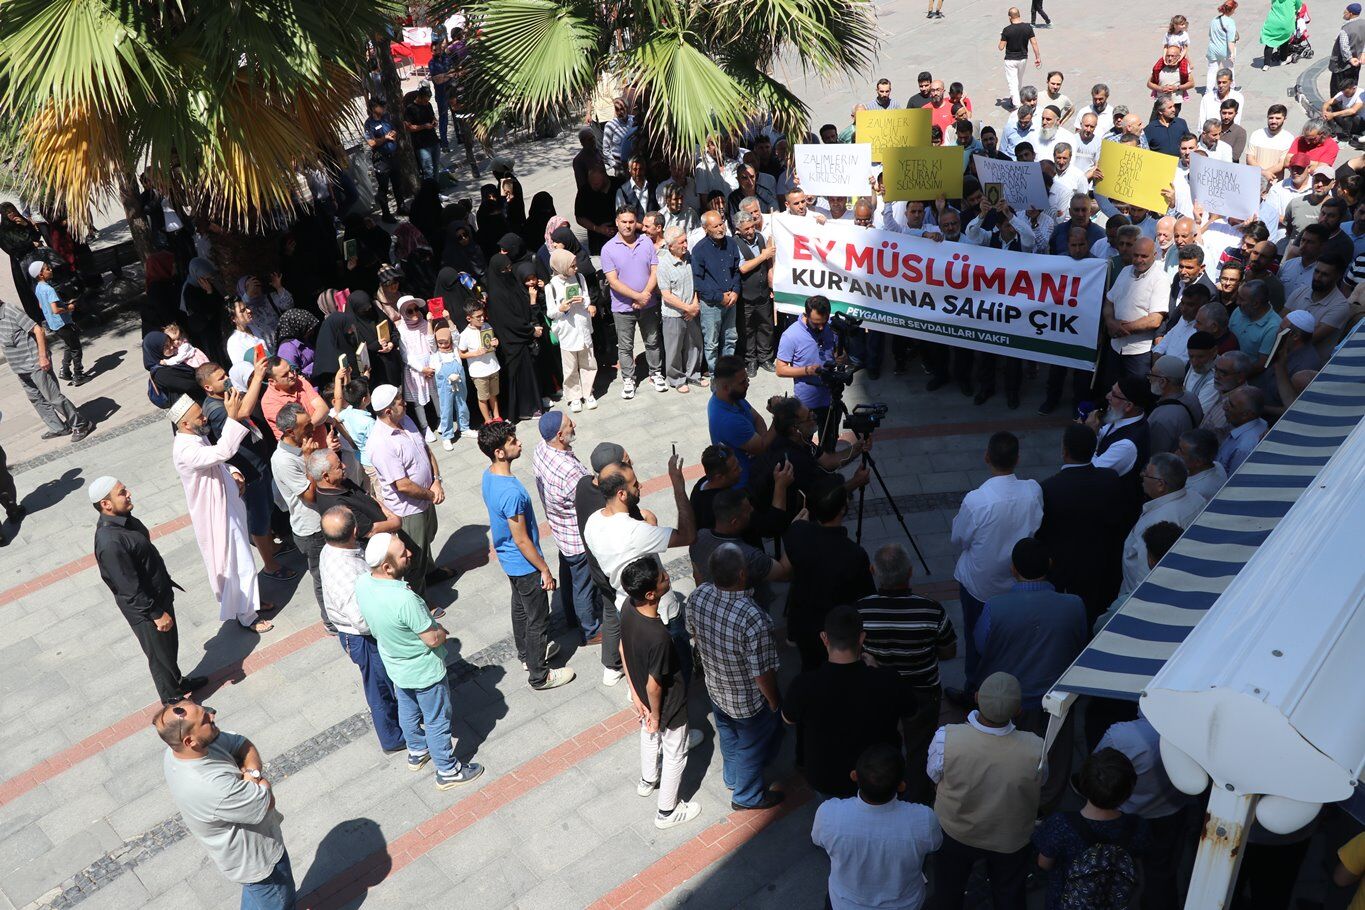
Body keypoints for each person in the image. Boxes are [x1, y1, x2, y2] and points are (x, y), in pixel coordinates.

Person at [356, 532, 485, 789]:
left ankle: (416, 750)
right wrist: (442, 631)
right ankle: (448, 770)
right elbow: (432, 639)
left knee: (407, 708)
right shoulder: (405, 599)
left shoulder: (363, 583)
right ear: (387, 567)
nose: (410, 554)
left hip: (396, 666)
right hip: (424, 670)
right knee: (437, 719)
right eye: (402, 553)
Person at [971, 538, 1087, 808]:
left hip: (1012, 701)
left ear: (1013, 569)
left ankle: (1016, 801)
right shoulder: (1074, 604)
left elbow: (981, 645)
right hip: (1057, 700)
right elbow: (1079, 642)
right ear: (1050, 564)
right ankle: (1046, 806)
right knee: (1057, 755)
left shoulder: (995, 607)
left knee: (1008, 753)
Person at [155, 704, 295, 907]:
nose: (212, 715)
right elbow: (267, 801)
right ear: (190, 741)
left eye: (205, 710)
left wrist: (251, 774)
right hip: (260, 862)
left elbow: (242, 743)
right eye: (205, 719)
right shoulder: (210, 786)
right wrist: (255, 776)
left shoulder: (181, 750)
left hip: (250, 857)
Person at [930, 672, 1044, 910]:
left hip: (955, 832)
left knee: (947, 892)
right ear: (1018, 710)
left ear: (977, 697)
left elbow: (934, 775)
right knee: (1009, 896)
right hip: (1010, 839)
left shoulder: (946, 737)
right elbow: (1040, 782)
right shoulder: (1037, 748)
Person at [479, 420, 577, 691]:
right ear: (499, 452)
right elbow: (521, 539)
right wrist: (544, 569)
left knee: (520, 609)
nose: (519, 443)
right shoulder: (511, 492)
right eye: (512, 441)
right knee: (538, 618)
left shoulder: (489, 475)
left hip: (509, 559)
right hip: (524, 564)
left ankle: (527, 655)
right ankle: (539, 675)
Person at [91, 476, 206, 704]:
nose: (129, 494)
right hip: (147, 610)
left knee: (169, 649)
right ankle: (174, 703)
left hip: (159, 597)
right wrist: (156, 613)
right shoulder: (110, 542)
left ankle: (178, 682)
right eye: (122, 493)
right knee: (160, 658)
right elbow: (129, 589)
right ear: (106, 504)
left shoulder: (125, 520)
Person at [687, 543, 785, 810]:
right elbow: (761, 672)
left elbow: (694, 633)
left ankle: (732, 777)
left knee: (728, 734)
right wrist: (774, 701)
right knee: (751, 747)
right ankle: (746, 795)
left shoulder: (698, 595)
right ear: (742, 574)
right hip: (747, 700)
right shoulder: (752, 617)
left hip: (716, 687)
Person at [783, 604, 917, 799]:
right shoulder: (889, 680)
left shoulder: (804, 684)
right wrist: (877, 669)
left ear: (824, 638)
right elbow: (911, 711)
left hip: (825, 777)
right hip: (879, 778)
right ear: (861, 638)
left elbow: (788, 718)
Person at [856, 543, 956, 802]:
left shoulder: (861, 610)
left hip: (879, 690)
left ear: (873, 570)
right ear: (910, 572)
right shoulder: (931, 610)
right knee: (920, 748)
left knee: (880, 742)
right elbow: (948, 651)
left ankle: (884, 789)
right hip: (922, 690)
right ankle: (917, 799)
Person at [169, 395, 273, 633]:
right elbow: (223, 451)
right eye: (199, 417)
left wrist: (233, 472)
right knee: (236, 561)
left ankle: (251, 602)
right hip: (216, 514)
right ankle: (247, 615)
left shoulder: (196, 436)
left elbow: (218, 462)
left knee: (241, 557)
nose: (204, 418)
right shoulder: (185, 449)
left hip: (227, 505)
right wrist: (233, 417)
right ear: (185, 424)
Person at [618, 556, 704, 829]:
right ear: (651, 594)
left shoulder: (628, 607)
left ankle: (647, 780)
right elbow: (655, 685)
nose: (667, 575)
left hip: (643, 697)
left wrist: (635, 695)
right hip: (668, 704)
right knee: (675, 753)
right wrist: (655, 715)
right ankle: (667, 811)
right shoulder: (659, 637)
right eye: (662, 577)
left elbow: (622, 648)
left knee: (648, 734)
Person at [951, 431, 1043, 679]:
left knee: (975, 639)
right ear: (1017, 458)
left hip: (981, 587)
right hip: (1017, 584)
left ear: (987, 457)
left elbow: (959, 539)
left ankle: (973, 687)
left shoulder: (976, 501)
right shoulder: (1033, 490)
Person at [319, 506, 403, 752]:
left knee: (384, 683)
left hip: (361, 635)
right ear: (355, 531)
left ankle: (400, 722)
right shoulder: (344, 571)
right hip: (362, 639)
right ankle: (393, 738)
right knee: (379, 689)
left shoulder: (332, 548)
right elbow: (362, 620)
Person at [1033, 748, 1151, 910]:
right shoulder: (1138, 827)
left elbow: (1044, 863)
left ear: (1082, 784)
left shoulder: (1061, 824)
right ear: (1127, 793)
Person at [1037, 425, 1127, 624]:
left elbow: (1043, 532)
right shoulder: (1110, 479)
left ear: (1064, 451)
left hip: (1065, 569)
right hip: (1103, 565)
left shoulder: (1048, 488)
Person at [783, 483, 877, 671]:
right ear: (842, 509)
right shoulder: (854, 554)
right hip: (835, 628)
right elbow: (866, 597)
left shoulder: (797, 532)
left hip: (803, 622)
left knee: (809, 667)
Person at [366, 384, 447, 600]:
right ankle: (421, 602)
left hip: (426, 498)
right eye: (400, 400)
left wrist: (436, 481)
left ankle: (431, 572)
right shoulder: (380, 444)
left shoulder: (405, 420)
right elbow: (402, 485)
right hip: (409, 509)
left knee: (428, 537)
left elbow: (426, 450)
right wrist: (431, 494)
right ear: (388, 411)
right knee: (414, 559)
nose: (404, 402)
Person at [532, 411, 601, 645]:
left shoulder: (541, 449)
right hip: (577, 536)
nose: (575, 425)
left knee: (568, 575)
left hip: (561, 531)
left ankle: (571, 616)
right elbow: (589, 498)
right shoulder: (569, 471)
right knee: (583, 586)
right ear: (560, 435)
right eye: (570, 424)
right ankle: (590, 630)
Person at [270, 402, 332, 632]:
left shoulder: (304, 445)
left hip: (326, 519)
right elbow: (309, 495)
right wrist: (309, 460)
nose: (312, 428)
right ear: (289, 431)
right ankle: (330, 621)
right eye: (306, 426)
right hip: (312, 530)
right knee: (324, 578)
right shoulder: (283, 460)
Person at [0, 293, 91, 441]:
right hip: (20, 367)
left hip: (35, 363)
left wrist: (43, 357)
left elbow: (38, 330)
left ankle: (81, 424)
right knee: (36, 399)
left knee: (53, 397)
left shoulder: (10, 310)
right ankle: (58, 428)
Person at [1121, 453, 1208, 594]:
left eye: (1147, 474)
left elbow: (1145, 576)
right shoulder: (1196, 498)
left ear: (1160, 485)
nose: (1142, 475)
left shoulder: (1156, 524)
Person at [602, 206, 665, 399]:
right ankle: (629, 379)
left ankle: (656, 373)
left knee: (652, 341)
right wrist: (637, 297)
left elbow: (655, 270)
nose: (628, 226)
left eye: (631, 222)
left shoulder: (646, 242)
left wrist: (645, 294)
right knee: (625, 346)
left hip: (648, 303)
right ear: (617, 222)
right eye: (624, 222)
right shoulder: (608, 249)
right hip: (622, 307)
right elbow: (613, 281)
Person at [706, 355, 776, 487]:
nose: (747, 383)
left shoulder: (730, 398)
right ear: (726, 387)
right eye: (742, 382)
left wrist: (758, 442)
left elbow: (758, 419)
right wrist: (778, 416)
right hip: (747, 485)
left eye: (746, 379)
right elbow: (763, 447)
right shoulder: (730, 421)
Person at [775, 295, 839, 435]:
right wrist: (807, 370)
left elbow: (836, 352)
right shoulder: (790, 335)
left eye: (824, 322)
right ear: (806, 315)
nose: (821, 327)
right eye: (816, 323)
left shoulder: (831, 328)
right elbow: (780, 369)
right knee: (804, 442)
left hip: (830, 396)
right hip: (806, 403)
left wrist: (841, 357)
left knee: (829, 440)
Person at [544, 248, 598, 411]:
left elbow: (587, 298)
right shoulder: (551, 287)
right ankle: (574, 396)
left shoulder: (580, 278)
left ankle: (588, 392)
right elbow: (551, 312)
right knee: (570, 367)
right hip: (567, 330)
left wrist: (583, 302)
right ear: (561, 266)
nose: (576, 268)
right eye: (572, 266)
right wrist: (561, 308)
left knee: (588, 362)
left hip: (582, 325)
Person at [308, 449, 398, 541]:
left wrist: (389, 514)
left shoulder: (342, 482)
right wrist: (396, 522)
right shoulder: (336, 506)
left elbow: (368, 497)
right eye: (339, 466)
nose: (344, 466)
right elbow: (370, 531)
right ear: (326, 476)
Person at [691, 210, 742, 370]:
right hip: (711, 304)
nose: (721, 228)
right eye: (715, 226)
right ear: (705, 229)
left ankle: (728, 372)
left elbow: (736, 270)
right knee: (712, 343)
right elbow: (698, 281)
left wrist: (735, 291)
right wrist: (719, 297)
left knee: (730, 338)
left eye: (721, 224)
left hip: (731, 300)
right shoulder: (699, 250)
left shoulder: (731, 243)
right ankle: (715, 374)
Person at [657, 225, 705, 391]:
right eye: (681, 242)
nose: (686, 245)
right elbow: (667, 295)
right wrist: (687, 308)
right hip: (674, 314)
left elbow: (695, 283)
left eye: (685, 241)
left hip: (692, 310)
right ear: (671, 246)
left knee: (694, 344)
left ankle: (694, 375)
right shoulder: (664, 265)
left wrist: (694, 304)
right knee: (674, 349)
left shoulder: (689, 258)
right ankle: (676, 379)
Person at [30, 260, 85, 386]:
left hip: (53, 324)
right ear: (41, 274)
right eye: (47, 269)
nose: (51, 270)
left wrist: (63, 304)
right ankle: (78, 375)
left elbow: (41, 305)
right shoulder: (49, 289)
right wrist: (68, 308)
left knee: (69, 345)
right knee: (76, 348)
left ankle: (65, 371)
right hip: (63, 322)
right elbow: (55, 310)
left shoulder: (38, 288)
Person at [458, 299, 503, 425]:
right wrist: (475, 353)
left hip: (493, 366)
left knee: (493, 394)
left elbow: (492, 342)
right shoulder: (465, 334)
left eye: (483, 315)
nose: (482, 318)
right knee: (483, 397)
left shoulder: (487, 326)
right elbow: (461, 354)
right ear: (469, 318)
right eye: (478, 317)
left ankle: (497, 416)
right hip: (479, 372)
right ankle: (487, 420)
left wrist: (495, 342)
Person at [1147, 354, 1204, 453]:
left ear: (1163, 382)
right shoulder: (1193, 398)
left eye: (1152, 375)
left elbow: (1155, 455)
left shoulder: (1161, 418)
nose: (1149, 379)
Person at [363, 97, 403, 222]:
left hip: (393, 156)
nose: (384, 108)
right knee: (384, 188)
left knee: (397, 184)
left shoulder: (387, 118)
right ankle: (386, 214)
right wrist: (385, 138)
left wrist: (393, 134)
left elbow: (393, 131)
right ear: (373, 109)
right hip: (381, 160)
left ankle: (401, 207)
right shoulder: (369, 124)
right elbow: (371, 143)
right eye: (381, 106)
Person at [1217, 385, 1269, 473]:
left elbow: (1232, 479)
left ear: (1246, 414)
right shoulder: (1260, 422)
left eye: (1231, 405)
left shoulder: (1244, 449)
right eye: (1227, 401)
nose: (1224, 407)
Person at [999, 7, 1041, 110]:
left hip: (1010, 59)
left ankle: (1017, 105)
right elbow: (1034, 42)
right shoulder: (1028, 27)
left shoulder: (1006, 30)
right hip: (1023, 59)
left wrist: (1002, 37)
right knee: (1019, 80)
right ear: (1019, 15)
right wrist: (1037, 57)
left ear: (1010, 17)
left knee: (1012, 83)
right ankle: (1016, 99)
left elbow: (1001, 47)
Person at [1331, 3, 1365, 94]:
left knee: (1337, 89)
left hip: (1342, 66)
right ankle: (1351, 101)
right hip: (1357, 63)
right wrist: (1363, 53)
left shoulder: (1346, 28)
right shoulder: (1363, 23)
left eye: (1345, 12)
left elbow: (1344, 47)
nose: (1343, 14)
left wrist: (1350, 58)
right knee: (1352, 86)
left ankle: (1338, 103)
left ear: (1350, 14)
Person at [1208, 1, 1242, 88]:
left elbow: (1210, 34)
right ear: (1231, 10)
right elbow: (1230, 40)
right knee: (1229, 69)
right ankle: (1232, 87)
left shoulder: (1214, 19)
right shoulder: (1230, 22)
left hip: (1212, 49)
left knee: (1212, 71)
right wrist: (1232, 53)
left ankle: (1208, 91)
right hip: (1225, 51)